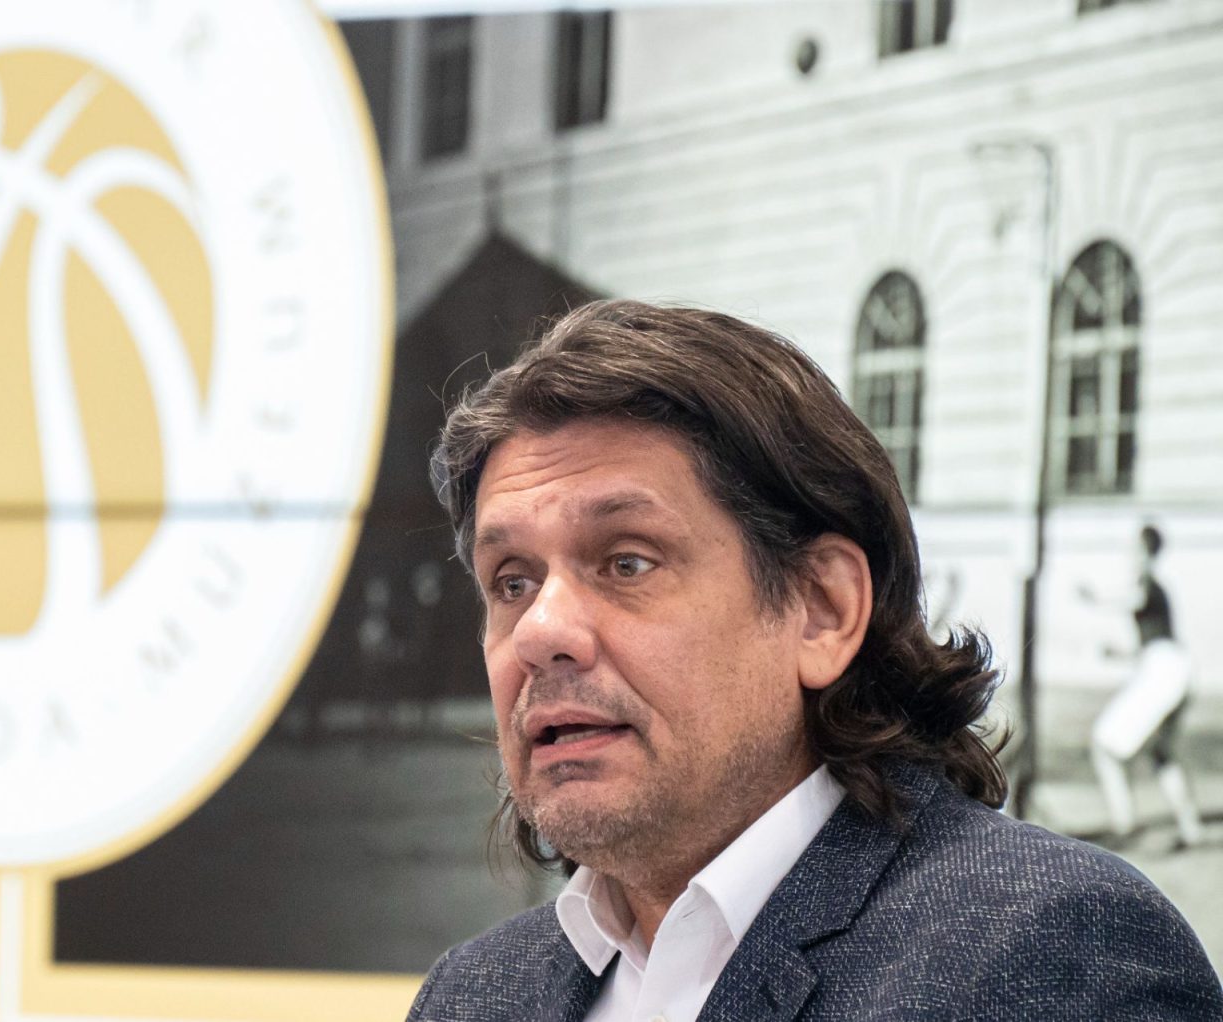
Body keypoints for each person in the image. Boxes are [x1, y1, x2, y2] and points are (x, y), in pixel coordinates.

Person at [409, 300, 1222, 1021]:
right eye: (511, 581)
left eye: (627, 562)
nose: (539, 630)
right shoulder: (473, 994)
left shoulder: (1048, 957)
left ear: (822, 610)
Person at [1083, 524, 1204, 848]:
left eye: (1134, 549)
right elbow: (1154, 642)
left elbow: (1133, 601)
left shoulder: (1146, 584)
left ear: (1146, 552)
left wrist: (1096, 599)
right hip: (1175, 670)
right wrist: (1118, 653)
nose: (1130, 556)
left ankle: (1125, 826)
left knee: (1104, 745)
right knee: (1161, 753)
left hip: (1165, 672)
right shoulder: (1155, 589)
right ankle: (1191, 829)